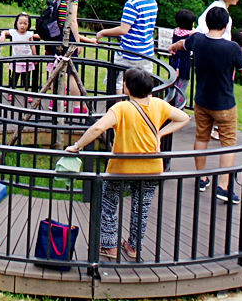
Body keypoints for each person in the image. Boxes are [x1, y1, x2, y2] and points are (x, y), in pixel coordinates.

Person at [65, 67, 189, 261]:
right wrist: (160, 133)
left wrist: (77, 146)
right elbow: (184, 117)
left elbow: (98, 126)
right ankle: (133, 247)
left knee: (109, 203)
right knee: (142, 208)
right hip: (151, 167)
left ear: (128, 88)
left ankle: (109, 246)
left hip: (122, 168)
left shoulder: (121, 108)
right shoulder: (158, 105)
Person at [170, 6, 242, 204]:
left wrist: (174, 47)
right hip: (224, 103)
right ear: (226, 25)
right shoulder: (232, 47)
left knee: (201, 137)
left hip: (201, 100)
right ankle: (223, 186)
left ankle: (202, 177)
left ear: (206, 23)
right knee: (228, 143)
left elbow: (183, 43)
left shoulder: (198, 40)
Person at [81, 0, 159, 72]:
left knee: (118, 82)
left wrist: (103, 32)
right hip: (147, 53)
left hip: (130, 54)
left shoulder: (132, 3)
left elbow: (123, 30)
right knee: (143, 85)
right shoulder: (152, 1)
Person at [1, 13, 39, 91]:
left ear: (28, 25)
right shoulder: (13, 32)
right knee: (15, 77)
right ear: (16, 23)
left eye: (25, 23)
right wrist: (3, 35)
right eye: (20, 23)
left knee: (26, 78)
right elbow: (5, 32)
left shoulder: (29, 34)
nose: (22, 26)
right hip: (16, 60)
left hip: (27, 60)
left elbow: (32, 45)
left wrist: (34, 56)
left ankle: (27, 93)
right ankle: (11, 92)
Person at [171, 9, 197, 107]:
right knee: (182, 87)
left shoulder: (175, 31)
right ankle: (180, 107)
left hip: (174, 61)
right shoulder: (191, 34)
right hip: (184, 64)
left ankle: (170, 106)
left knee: (172, 85)